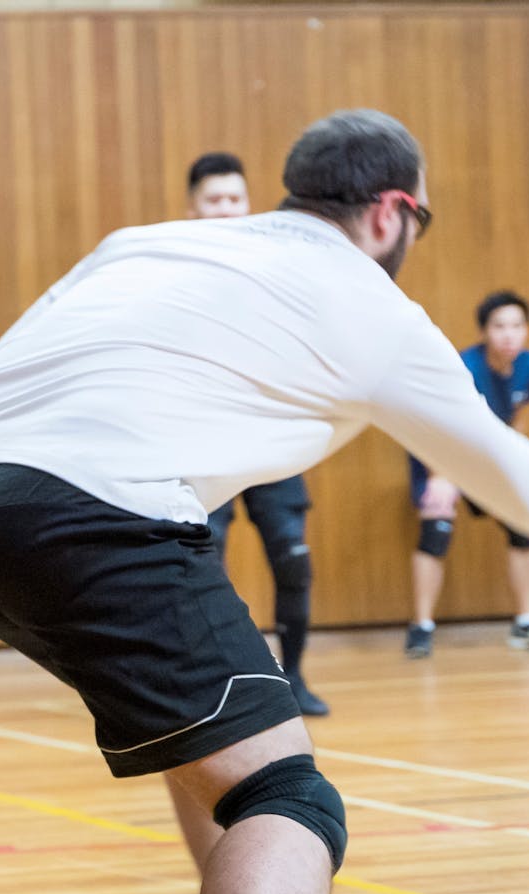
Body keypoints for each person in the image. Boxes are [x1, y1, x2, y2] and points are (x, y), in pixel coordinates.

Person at [0, 109, 529, 894]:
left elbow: (2, 385)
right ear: (389, 211)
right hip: (88, 519)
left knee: (230, 714)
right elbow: (517, 485)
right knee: (291, 800)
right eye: (420, 220)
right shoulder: (376, 310)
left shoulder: (143, 242)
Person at [186, 152, 328, 717]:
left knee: (293, 559)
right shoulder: (174, 273)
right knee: (203, 565)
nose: (226, 209)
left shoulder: (277, 272)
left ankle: (293, 676)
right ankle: (218, 682)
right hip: (203, 446)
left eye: (235, 199)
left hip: (270, 443)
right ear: (193, 209)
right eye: (214, 200)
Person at [404, 291, 529, 658]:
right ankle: (422, 627)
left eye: (517, 326)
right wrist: (440, 475)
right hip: (442, 451)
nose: (509, 334)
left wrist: (522, 465)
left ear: (526, 330)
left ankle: (526, 622)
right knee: (436, 525)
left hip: (489, 455)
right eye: (499, 326)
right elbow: (436, 424)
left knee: (523, 522)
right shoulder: (463, 368)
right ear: (484, 332)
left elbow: (516, 415)